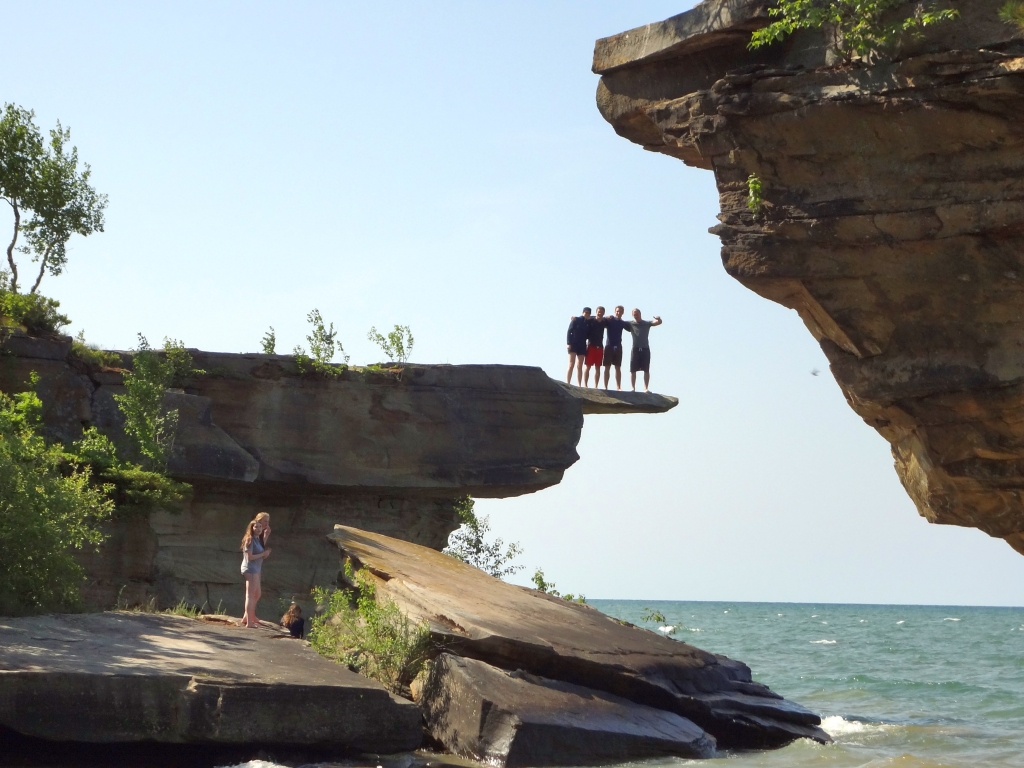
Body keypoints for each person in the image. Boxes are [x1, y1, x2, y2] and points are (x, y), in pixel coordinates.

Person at [240, 517, 271, 628]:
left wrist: (266, 533)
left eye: (260, 527)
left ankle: (249, 616)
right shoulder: (250, 539)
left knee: (257, 594)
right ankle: (249, 622)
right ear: (251, 528)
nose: (258, 529)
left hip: (256, 569)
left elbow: (261, 548)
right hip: (250, 569)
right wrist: (263, 554)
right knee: (250, 595)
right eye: (256, 527)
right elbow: (250, 557)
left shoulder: (258, 539)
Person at [624, 308, 662, 392]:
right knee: (633, 369)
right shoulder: (630, 324)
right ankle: (633, 388)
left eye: (637, 314)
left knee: (646, 369)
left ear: (640, 314)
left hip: (645, 348)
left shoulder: (646, 323)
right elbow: (619, 322)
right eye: (634, 314)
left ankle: (645, 388)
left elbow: (658, 322)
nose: (635, 315)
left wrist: (658, 319)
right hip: (635, 349)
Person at [602, 305, 629, 390]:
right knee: (607, 367)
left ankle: (618, 387)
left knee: (618, 367)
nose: (618, 313)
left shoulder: (623, 323)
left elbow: (633, 326)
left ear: (623, 313)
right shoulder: (610, 320)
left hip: (618, 346)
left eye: (620, 311)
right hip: (609, 345)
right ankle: (605, 387)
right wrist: (606, 317)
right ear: (615, 311)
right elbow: (597, 318)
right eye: (617, 311)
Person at [583, 306, 607, 388]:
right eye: (598, 311)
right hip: (591, 346)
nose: (600, 313)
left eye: (601, 312)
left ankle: (596, 386)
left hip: (599, 347)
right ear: (596, 312)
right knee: (588, 366)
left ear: (604, 313)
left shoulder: (604, 322)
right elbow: (583, 319)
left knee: (598, 367)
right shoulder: (590, 320)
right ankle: (585, 385)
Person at [566, 308, 590, 386]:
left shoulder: (588, 323)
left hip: (582, 345)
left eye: (588, 313)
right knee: (571, 364)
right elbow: (569, 331)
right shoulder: (576, 320)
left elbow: (596, 317)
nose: (587, 314)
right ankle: (568, 383)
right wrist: (569, 343)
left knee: (580, 365)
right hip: (573, 344)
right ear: (582, 312)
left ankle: (579, 384)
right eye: (586, 312)